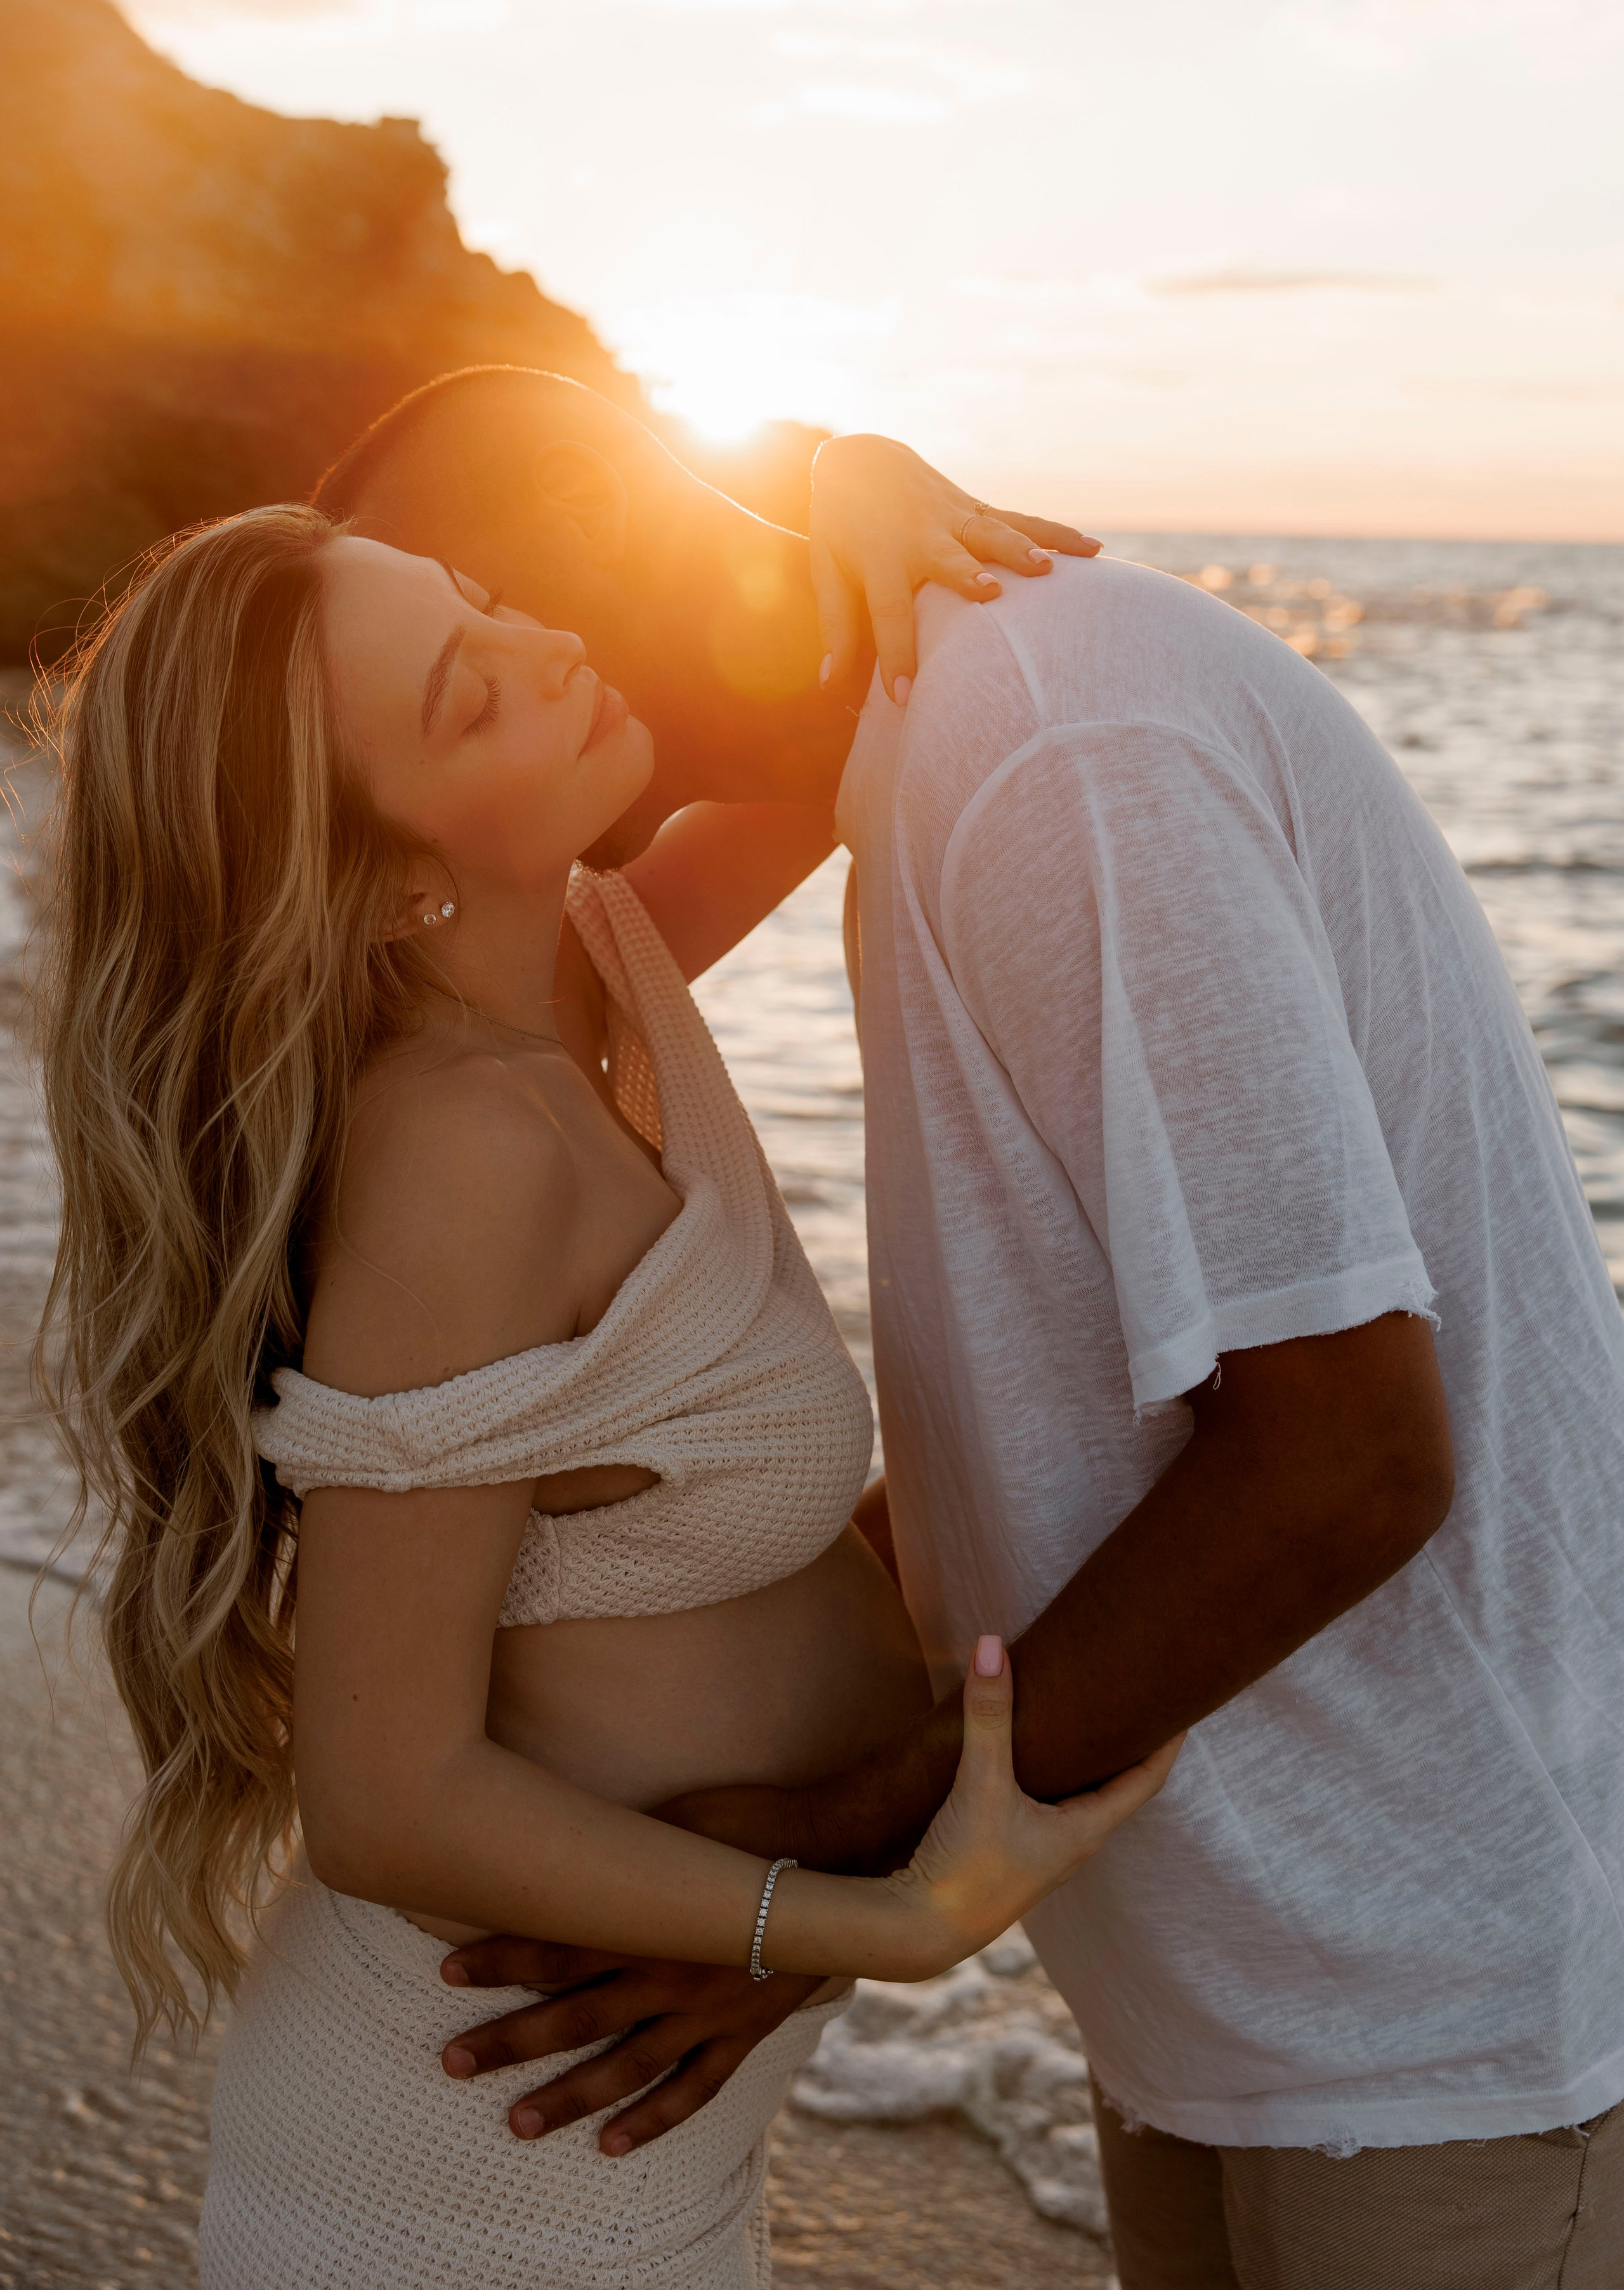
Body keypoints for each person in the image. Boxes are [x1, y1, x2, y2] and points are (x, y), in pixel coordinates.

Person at [360, 388, 1624, 2287]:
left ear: (585, 582)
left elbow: (1352, 1454)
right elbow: (1071, 1428)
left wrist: (816, 1869)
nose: (515, 670)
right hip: (1239, 1983)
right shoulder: (916, 742)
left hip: (1436, 1999)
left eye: (487, 624)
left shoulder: (1047, 742)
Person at [37, 428, 1177, 2289]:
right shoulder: (460, 1148)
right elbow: (384, 1795)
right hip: (481, 2165)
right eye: (469, 693)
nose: (552, 647)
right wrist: (868, 1928)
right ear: (374, 851)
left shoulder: (597, 960)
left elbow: (831, 732)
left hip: (610, 2136)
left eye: (487, 600)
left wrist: (847, 477)